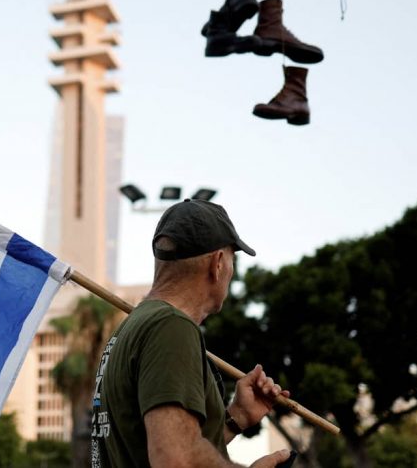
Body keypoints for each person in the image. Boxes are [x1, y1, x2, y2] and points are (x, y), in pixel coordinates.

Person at [90, 198, 294, 467]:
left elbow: (167, 442)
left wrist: (235, 418)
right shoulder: (171, 328)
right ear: (218, 263)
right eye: (233, 259)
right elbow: (175, 459)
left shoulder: (135, 326)